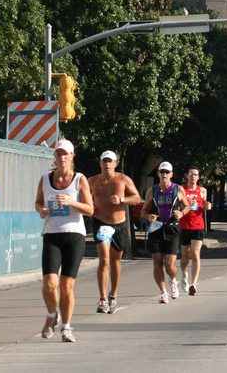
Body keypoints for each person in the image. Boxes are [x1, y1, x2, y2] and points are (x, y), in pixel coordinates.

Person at [35, 139, 93, 343]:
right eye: (58, 154)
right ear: (55, 156)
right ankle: (52, 315)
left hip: (74, 235)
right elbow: (38, 202)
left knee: (66, 285)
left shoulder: (79, 179)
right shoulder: (45, 179)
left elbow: (90, 209)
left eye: (65, 154)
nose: (62, 158)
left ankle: (67, 327)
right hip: (52, 234)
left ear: (72, 157)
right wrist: (42, 210)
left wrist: (71, 202)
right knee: (49, 284)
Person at [88, 150, 141, 314]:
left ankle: (113, 295)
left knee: (115, 261)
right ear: (100, 163)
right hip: (100, 223)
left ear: (115, 163)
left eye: (110, 161)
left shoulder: (123, 180)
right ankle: (102, 298)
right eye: (104, 161)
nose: (107, 164)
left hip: (119, 224)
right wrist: (90, 207)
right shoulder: (92, 181)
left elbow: (137, 198)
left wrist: (122, 200)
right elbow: (82, 199)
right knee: (104, 260)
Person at [141, 161, 188, 304]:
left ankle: (173, 280)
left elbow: (186, 206)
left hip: (172, 228)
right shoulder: (152, 191)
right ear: (158, 174)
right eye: (162, 172)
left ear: (172, 174)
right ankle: (163, 292)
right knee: (156, 261)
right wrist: (148, 216)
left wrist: (181, 213)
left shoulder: (178, 189)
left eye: (167, 172)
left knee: (169, 264)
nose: (164, 175)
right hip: (156, 227)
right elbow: (144, 210)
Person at [179, 167, 211, 296]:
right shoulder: (181, 189)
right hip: (184, 225)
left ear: (198, 178)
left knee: (195, 253)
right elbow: (178, 205)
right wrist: (185, 205)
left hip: (198, 225)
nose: (193, 176)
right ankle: (185, 275)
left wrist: (207, 206)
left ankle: (194, 283)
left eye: (195, 175)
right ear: (187, 176)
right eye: (191, 174)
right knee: (185, 256)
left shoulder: (202, 190)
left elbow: (204, 205)